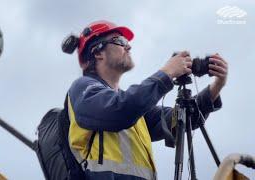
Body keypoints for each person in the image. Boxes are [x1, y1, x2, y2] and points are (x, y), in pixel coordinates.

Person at [62, 20, 227, 180]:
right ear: (97, 52)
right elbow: (120, 110)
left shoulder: (135, 110)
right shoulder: (83, 88)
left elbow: (182, 118)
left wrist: (216, 87)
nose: (128, 45)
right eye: (119, 40)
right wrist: (167, 73)